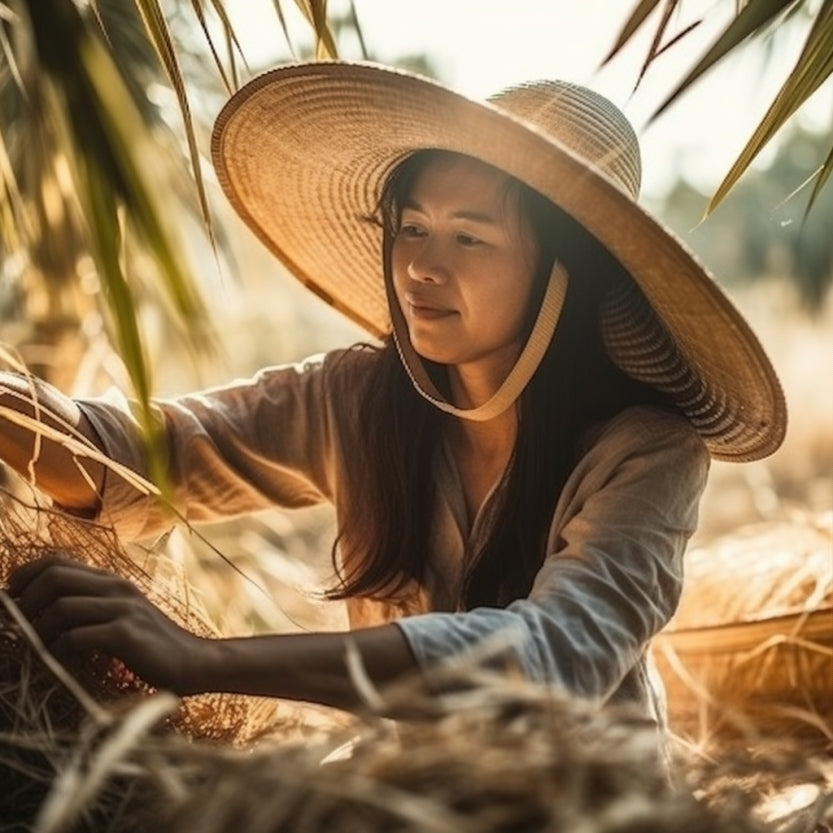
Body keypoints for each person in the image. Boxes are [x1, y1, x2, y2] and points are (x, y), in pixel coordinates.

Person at [2, 63, 785, 727]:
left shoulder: (644, 451)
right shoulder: (358, 399)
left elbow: (555, 656)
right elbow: (150, 453)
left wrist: (203, 660)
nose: (418, 266)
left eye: (469, 237)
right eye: (410, 227)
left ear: (564, 275)